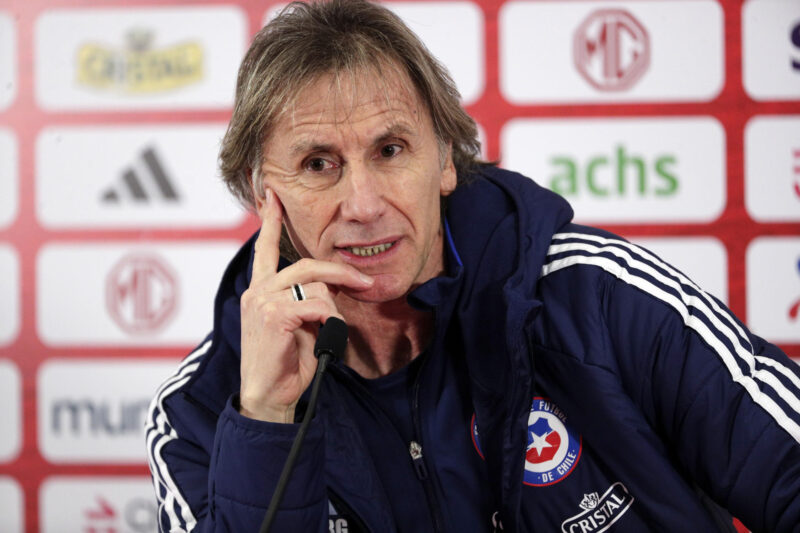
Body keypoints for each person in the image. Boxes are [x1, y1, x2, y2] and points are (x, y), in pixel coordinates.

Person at [145, 1, 800, 531]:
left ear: (446, 160)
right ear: (265, 194)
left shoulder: (594, 295)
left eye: (391, 148)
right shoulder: (203, 406)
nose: (365, 204)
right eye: (319, 163)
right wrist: (264, 422)